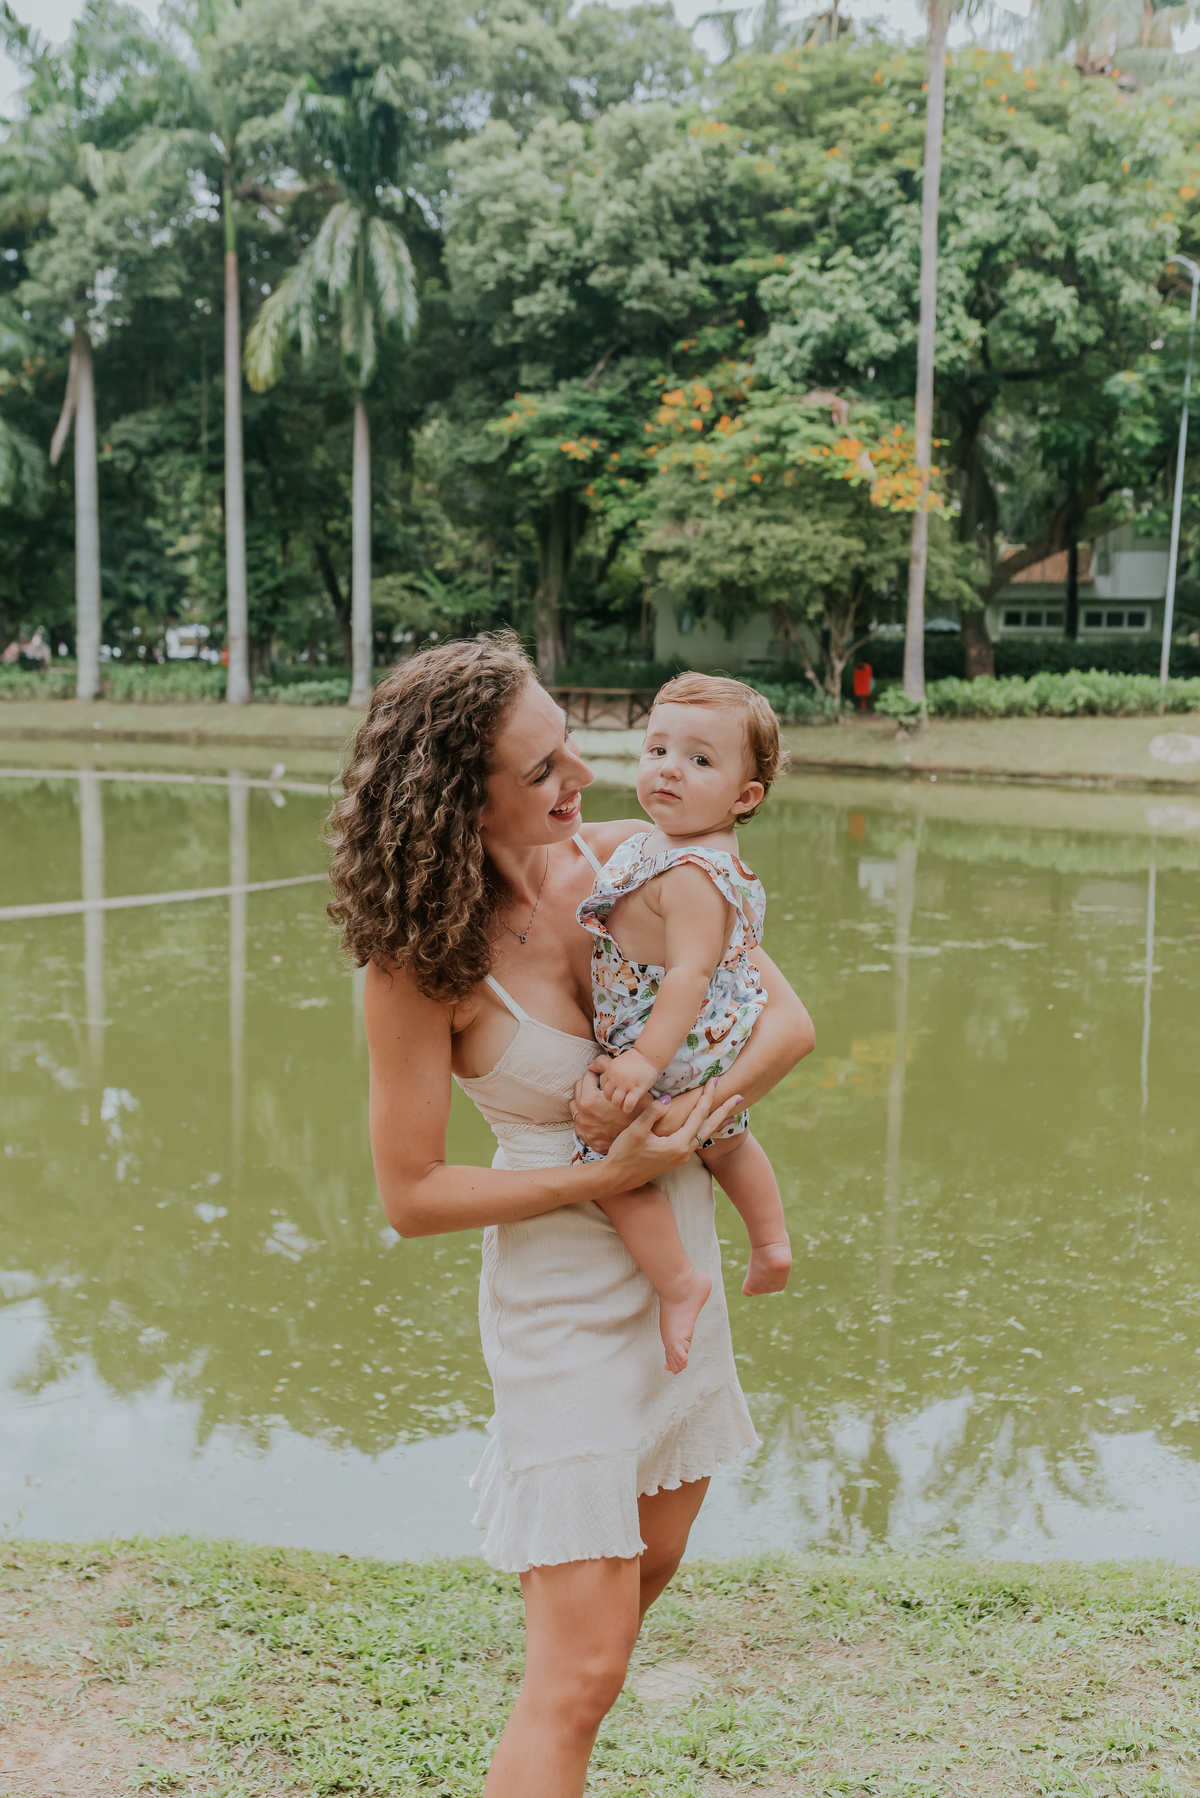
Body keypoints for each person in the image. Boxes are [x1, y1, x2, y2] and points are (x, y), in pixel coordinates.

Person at [329, 633, 814, 1798]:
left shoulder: (623, 863)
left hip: (675, 1266)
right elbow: (414, 1192)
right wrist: (604, 1175)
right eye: (544, 767)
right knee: (581, 1675)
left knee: (631, 1601)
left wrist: (694, 1113)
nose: (581, 779)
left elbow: (784, 1025)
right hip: (563, 1300)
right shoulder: (417, 961)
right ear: (462, 797)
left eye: (571, 749)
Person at [574, 673, 792, 1375]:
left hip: (669, 1048)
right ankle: (770, 1242)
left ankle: (680, 1281)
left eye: (700, 761)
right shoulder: (654, 844)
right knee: (729, 1144)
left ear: (744, 796)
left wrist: (641, 1061)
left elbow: (691, 976)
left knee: (608, 1165)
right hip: (696, 1046)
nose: (669, 768)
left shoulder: (698, 873)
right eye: (657, 748)